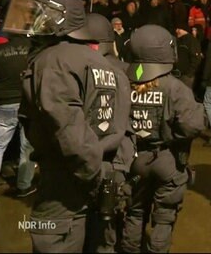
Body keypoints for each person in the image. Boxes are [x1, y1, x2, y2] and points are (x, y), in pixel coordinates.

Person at [2, 0, 130, 252]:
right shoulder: (105, 64)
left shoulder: (53, 61)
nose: (26, 22)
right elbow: (120, 127)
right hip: (101, 175)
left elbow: (68, 130)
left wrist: (92, 175)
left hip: (67, 181)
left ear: (57, 17)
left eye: (33, 13)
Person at [120, 25, 205, 253]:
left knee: (135, 212)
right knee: (164, 217)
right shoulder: (175, 87)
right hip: (166, 159)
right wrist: (172, 134)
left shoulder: (123, 84)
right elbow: (193, 126)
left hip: (133, 159)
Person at [82, 13, 136, 253]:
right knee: (108, 223)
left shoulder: (75, 66)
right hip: (116, 158)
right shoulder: (126, 70)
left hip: (84, 153)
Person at [0, 32, 36, 200]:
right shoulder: (31, 48)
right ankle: (24, 186)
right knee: (27, 147)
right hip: (27, 101)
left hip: (4, 102)